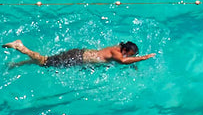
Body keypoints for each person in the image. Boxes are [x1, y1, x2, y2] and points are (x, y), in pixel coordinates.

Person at [5, 39, 154, 68]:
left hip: (79, 54)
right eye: (131, 54)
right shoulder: (118, 55)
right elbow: (122, 61)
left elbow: (124, 60)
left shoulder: (117, 48)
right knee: (45, 62)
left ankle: (18, 64)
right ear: (126, 50)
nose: (130, 57)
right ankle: (20, 47)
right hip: (78, 58)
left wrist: (132, 64)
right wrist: (143, 58)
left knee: (49, 60)